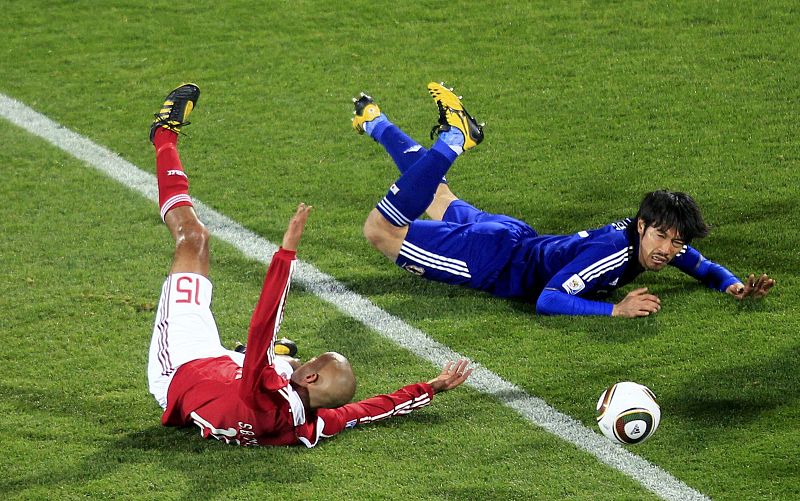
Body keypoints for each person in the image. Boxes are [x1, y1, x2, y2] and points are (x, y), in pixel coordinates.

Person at [147, 84, 472, 447]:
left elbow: (262, 325)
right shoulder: (308, 427)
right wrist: (431, 388)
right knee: (282, 364)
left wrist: (286, 252)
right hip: (233, 377)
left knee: (194, 239)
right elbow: (369, 410)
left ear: (312, 380)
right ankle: (263, 357)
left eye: (314, 364)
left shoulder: (262, 391)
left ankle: (163, 137)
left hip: (183, 366)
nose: (310, 362)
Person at [354, 82, 775, 318]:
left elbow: (699, 264)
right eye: (663, 237)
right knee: (381, 230)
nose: (669, 250)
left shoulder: (652, 242)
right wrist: (615, 311)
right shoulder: (613, 253)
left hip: (511, 237)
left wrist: (731, 284)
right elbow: (548, 299)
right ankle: (454, 139)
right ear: (642, 226)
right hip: (490, 261)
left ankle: (375, 122)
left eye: (675, 242)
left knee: (439, 193)